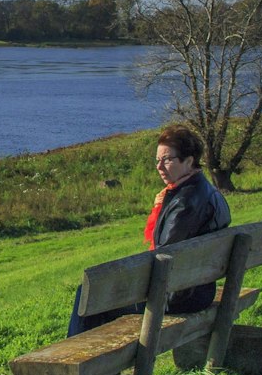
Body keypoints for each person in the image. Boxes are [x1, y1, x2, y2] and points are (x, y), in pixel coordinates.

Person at [66, 124, 231, 336]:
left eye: (168, 160)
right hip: (198, 289)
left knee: (90, 295)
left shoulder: (185, 203)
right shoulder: (207, 190)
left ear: (189, 161)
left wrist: (161, 207)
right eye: (157, 160)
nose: (160, 167)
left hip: (177, 297)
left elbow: (162, 257)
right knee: (94, 295)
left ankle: (78, 363)